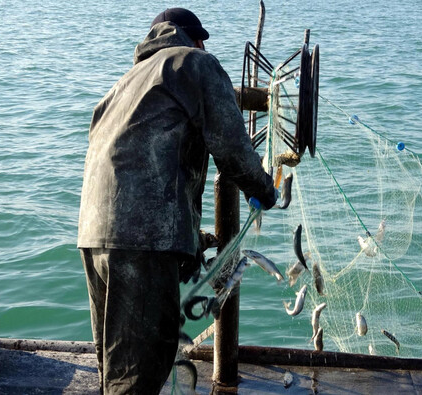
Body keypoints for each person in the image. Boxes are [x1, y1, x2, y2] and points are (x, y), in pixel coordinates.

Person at [77, 8, 277, 394]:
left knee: (116, 367)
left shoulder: (124, 84)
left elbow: (138, 169)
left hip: (93, 235)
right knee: (141, 373)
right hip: (143, 240)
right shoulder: (197, 63)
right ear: (195, 39)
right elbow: (234, 152)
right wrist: (265, 191)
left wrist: (194, 238)